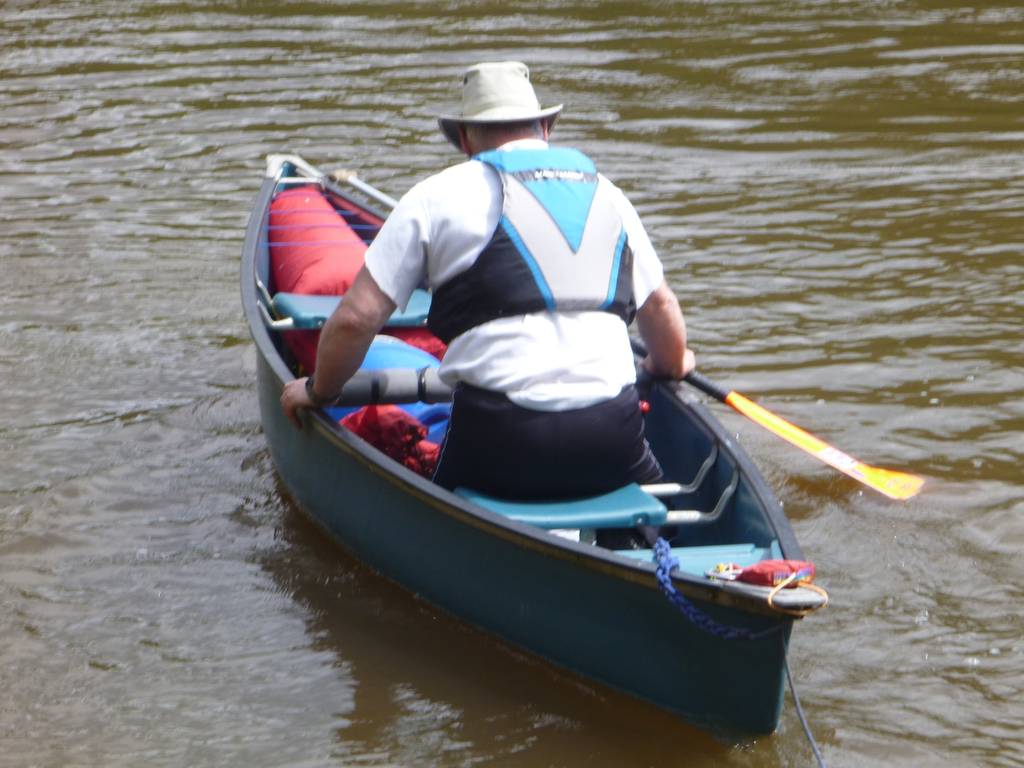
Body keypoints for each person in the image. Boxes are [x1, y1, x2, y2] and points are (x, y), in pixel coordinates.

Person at [281, 60, 695, 499]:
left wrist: (319, 391)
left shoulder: (434, 196)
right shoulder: (610, 196)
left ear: (463, 138)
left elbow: (354, 320)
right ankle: (658, 547)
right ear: (544, 128)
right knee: (660, 517)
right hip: (611, 435)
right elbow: (661, 307)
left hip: (499, 440)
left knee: (435, 485)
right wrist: (667, 365)